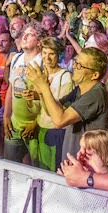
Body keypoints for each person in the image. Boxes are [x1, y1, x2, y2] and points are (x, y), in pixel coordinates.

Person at [25, 46, 108, 160]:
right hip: (74, 160)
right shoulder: (79, 90)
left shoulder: (96, 94)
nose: (74, 67)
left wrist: (44, 87)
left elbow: (59, 121)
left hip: (88, 165)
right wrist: (41, 92)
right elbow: (52, 113)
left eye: (80, 65)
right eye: (76, 62)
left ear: (95, 75)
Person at [2, 23, 43, 164]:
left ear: (39, 41)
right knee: (10, 166)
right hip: (14, 124)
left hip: (34, 125)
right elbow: (11, 88)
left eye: (30, 34)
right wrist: (6, 115)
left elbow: (48, 95)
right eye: (24, 33)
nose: (24, 36)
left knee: (37, 168)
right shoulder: (16, 59)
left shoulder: (43, 61)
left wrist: (37, 122)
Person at [32, 37, 73, 170]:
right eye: (44, 53)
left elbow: (58, 109)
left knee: (55, 170)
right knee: (41, 168)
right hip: (41, 128)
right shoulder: (40, 75)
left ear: (58, 55)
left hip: (57, 131)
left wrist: (42, 93)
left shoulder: (65, 76)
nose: (47, 58)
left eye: (51, 54)